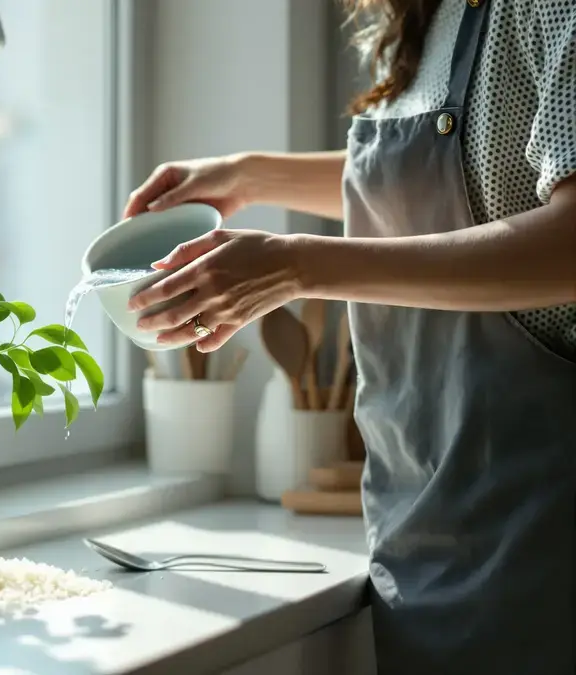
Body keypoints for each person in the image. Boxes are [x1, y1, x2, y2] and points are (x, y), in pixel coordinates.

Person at [124, 0, 576, 672]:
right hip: (420, 525)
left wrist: (297, 266)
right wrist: (247, 176)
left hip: (546, 525)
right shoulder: (427, 14)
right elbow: (445, 178)